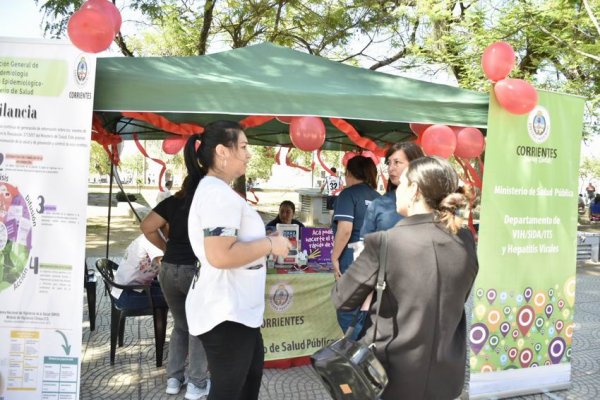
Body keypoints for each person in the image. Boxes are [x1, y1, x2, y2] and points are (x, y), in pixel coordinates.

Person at [332, 156, 479, 399]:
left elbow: (342, 299)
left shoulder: (385, 242)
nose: (395, 190)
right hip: (446, 377)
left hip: (391, 377)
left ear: (414, 190)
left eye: (401, 184)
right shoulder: (464, 240)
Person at [183, 120, 291, 400]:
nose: (248, 154)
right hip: (227, 311)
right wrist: (270, 244)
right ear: (222, 151)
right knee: (231, 390)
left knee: (248, 379)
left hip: (238, 310)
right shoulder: (218, 196)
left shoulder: (218, 191)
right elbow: (220, 255)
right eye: (243, 147)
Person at [140, 176, 210, 399]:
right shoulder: (205, 205)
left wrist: (166, 247)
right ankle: (197, 383)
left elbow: (147, 226)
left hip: (168, 270)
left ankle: (174, 379)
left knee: (181, 325)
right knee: (198, 326)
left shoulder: (171, 203)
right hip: (193, 270)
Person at [330, 156, 380, 339]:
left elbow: (345, 230)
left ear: (350, 173)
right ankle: (366, 352)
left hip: (352, 261)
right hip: (375, 260)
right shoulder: (379, 198)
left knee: (347, 311)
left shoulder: (348, 194)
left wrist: (334, 257)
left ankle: (357, 356)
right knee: (366, 311)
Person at [361, 142, 424, 236]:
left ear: (415, 164)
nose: (390, 168)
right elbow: (364, 245)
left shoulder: (433, 202)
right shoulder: (378, 205)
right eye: (388, 163)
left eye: (397, 162)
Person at [111, 234, 167, 310]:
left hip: (129, 288)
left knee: (171, 292)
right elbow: (163, 266)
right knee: (177, 297)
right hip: (126, 294)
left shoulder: (149, 235)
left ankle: (161, 321)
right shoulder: (153, 240)